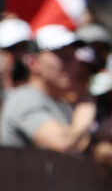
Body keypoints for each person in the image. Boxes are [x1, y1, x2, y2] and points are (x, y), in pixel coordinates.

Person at [0, 24, 97, 152]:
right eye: (63, 57)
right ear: (33, 63)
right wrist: (85, 116)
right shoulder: (25, 98)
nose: (73, 64)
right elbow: (63, 143)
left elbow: (82, 147)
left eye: (74, 57)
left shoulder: (60, 104)